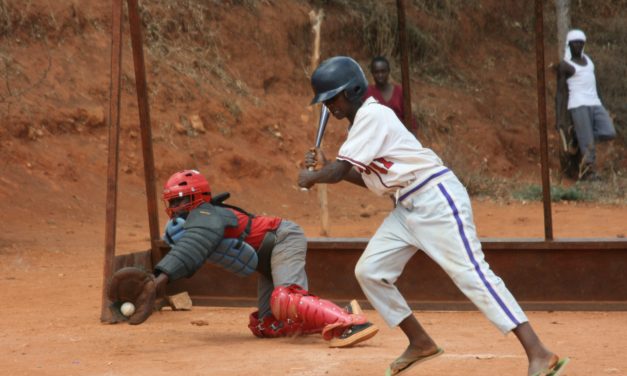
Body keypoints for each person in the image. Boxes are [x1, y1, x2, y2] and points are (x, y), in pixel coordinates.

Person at [298, 56, 569, 376]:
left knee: (473, 275)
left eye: (333, 97)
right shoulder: (360, 128)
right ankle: (420, 342)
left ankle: (539, 352)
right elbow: (359, 175)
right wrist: (329, 170)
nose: (329, 105)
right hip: (406, 206)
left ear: (355, 90)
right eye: (326, 100)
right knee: (370, 271)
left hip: (435, 197)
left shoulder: (373, 115)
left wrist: (312, 177)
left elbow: (340, 169)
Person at [108, 169, 379, 348]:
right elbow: (190, 245)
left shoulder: (206, 214)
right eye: (172, 202)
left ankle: (351, 324)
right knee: (265, 324)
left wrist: (156, 281)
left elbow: (191, 247)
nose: (176, 208)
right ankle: (335, 315)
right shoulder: (195, 221)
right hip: (266, 259)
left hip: (283, 237)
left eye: (182, 201)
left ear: (198, 198)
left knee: (286, 298)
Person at [556, 29, 616, 181]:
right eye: (575, 43)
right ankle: (588, 172)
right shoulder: (565, 65)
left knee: (609, 131)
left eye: (581, 43)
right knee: (587, 142)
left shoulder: (589, 61)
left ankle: (579, 136)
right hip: (578, 105)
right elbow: (561, 93)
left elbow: (595, 85)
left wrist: (603, 105)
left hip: (594, 103)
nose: (578, 46)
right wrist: (559, 118)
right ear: (569, 45)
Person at [364, 56, 417, 133]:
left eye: (383, 71)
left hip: (399, 136)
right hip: (377, 137)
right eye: (376, 72)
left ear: (388, 71)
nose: (380, 75)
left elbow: (410, 119)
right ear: (372, 73)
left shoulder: (400, 91)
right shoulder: (368, 92)